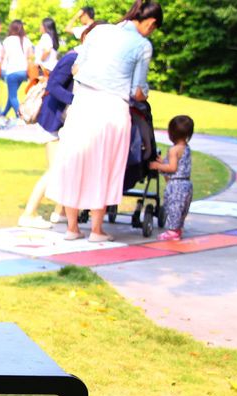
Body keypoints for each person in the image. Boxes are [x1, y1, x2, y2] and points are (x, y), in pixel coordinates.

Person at [45, 1, 162, 242]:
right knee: (104, 166)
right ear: (150, 23)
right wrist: (143, 93)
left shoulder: (99, 31)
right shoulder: (142, 45)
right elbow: (137, 90)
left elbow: (77, 68)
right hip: (112, 107)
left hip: (83, 102)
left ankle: (72, 227)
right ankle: (96, 230)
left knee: (76, 162)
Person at [18, 22, 102, 228]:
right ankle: (29, 214)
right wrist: (75, 100)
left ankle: (60, 212)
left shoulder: (86, 60)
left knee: (65, 166)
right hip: (51, 121)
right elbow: (54, 86)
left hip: (61, 122)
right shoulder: (73, 58)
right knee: (55, 169)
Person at [149, 115, 194, 241]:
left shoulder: (174, 150)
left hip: (176, 185)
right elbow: (179, 165)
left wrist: (158, 165)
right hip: (186, 184)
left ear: (172, 133)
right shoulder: (186, 148)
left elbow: (172, 168)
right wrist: (163, 161)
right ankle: (178, 229)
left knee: (173, 207)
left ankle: (172, 232)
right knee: (181, 209)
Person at [0, 20, 33, 124]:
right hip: (23, 71)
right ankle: (4, 113)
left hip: (12, 71)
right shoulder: (26, 40)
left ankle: (21, 117)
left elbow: (2, 56)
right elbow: (30, 56)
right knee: (11, 95)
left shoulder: (7, 40)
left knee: (13, 96)